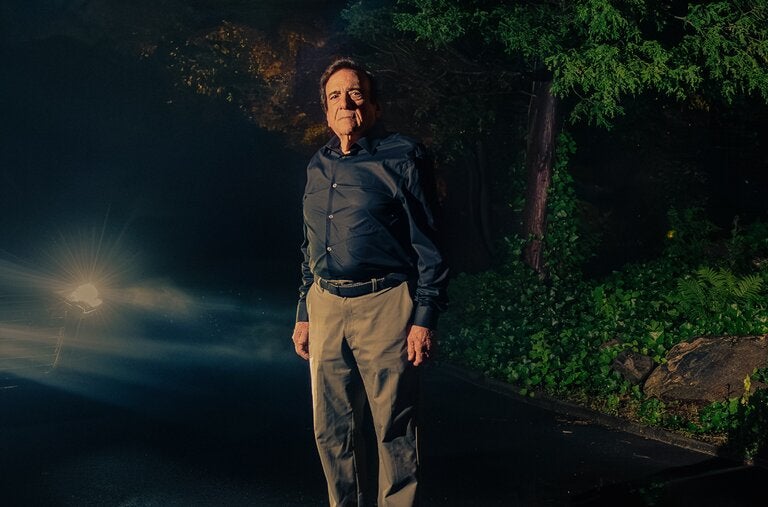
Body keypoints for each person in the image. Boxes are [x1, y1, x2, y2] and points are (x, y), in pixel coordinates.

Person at [291, 57, 449, 507]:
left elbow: (430, 245)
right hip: (325, 305)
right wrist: (304, 311)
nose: (345, 102)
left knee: (393, 427)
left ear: (374, 105)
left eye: (355, 92)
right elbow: (310, 245)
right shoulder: (317, 165)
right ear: (325, 110)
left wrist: (424, 317)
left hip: (384, 304)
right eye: (335, 96)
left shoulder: (402, 156)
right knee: (331, 430)